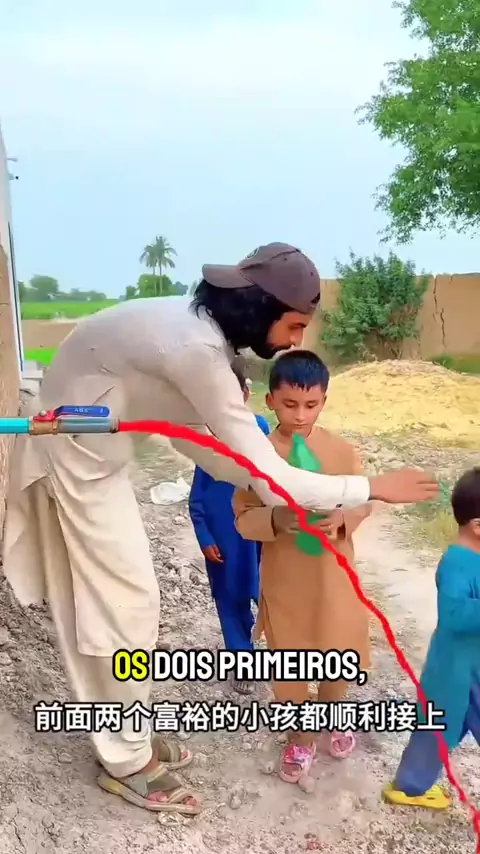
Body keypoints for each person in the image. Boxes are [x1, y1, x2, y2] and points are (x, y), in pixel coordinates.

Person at [3, 242, 438, 815]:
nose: (296, 341)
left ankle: (127, 735)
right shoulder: (195, 351)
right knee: (125, 608)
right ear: (261, 308)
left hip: (99, 458)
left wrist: (276, 479)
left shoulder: (202, 338)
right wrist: (371, 487)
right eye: (294, 325)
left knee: (128, 608)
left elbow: (206, 447)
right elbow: (267, 477)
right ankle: (126, 760)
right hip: (71, 461)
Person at [232, 350, 373, 784]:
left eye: (310, 405)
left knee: (338, 650)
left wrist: (344, 518)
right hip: (286, 581)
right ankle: (300, 737)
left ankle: (333, 715)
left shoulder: (341, 452)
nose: (300, 414)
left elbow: (365, 500)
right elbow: (243, 517)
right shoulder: (258, 458)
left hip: (335, 577)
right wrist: (275, 519)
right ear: (270, 400)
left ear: (323, 401)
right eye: (290, 404)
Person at [383, 467, 480, 810]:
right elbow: (454, 616)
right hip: (453, 671)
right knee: (435, 730)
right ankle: (409, 788)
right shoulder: (456, 564)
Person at [188, 361, 269, 695]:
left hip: (260, 533)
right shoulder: (207, 440)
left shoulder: (261, 430)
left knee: (267, 593)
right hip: (223, 536)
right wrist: (204, 535)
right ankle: (243, 660)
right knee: (229, 598)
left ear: (246, 394)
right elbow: (197, 496)